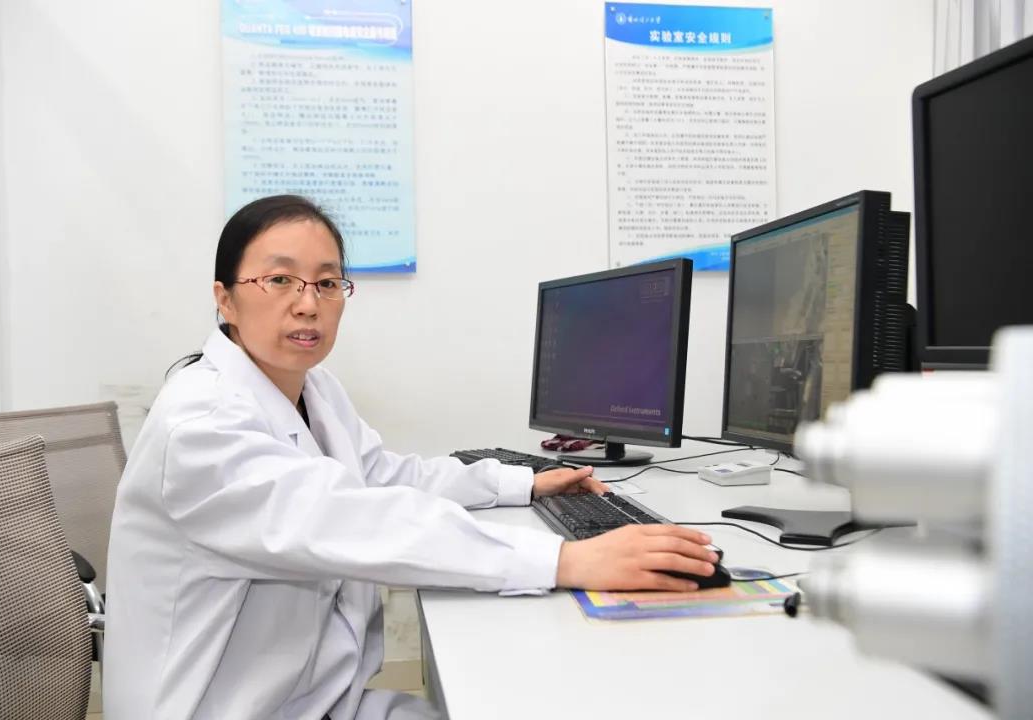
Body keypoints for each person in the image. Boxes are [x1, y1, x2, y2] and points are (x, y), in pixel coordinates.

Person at [103, 195, 719, 720]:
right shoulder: (200, 425)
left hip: (319, 696)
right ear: (226, 299)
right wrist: (564, 559)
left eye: (327, 282)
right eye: (279, 280)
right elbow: (351, 519)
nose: (307, 303)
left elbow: (384, 477)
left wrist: (519, 485)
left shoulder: (314, 391)